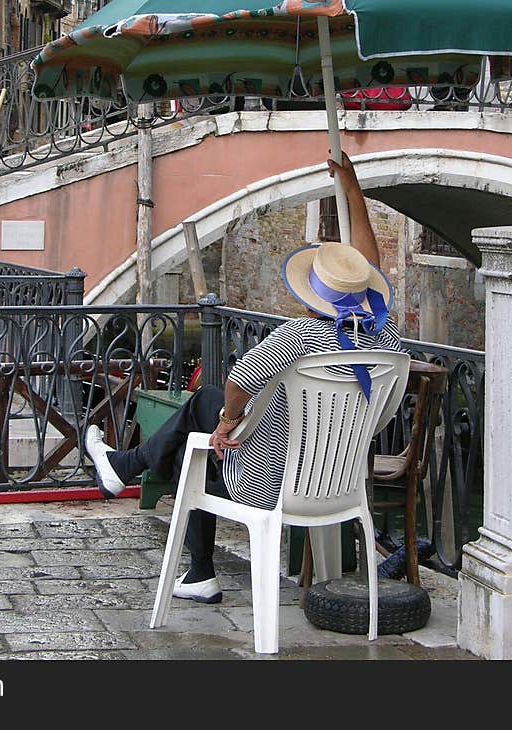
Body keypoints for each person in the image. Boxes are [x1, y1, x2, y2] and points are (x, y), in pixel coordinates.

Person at [85, 152, 407, 604]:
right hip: (341, 480)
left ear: (311, 293)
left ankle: (175, 535)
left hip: (268, 483)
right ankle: (129, 470)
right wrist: (351, 186)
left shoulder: (300, 336)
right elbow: (367, 268)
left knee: (196, 434)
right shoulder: (387, 339)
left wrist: (225, 423)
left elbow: (240, 378)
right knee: (203, 410)